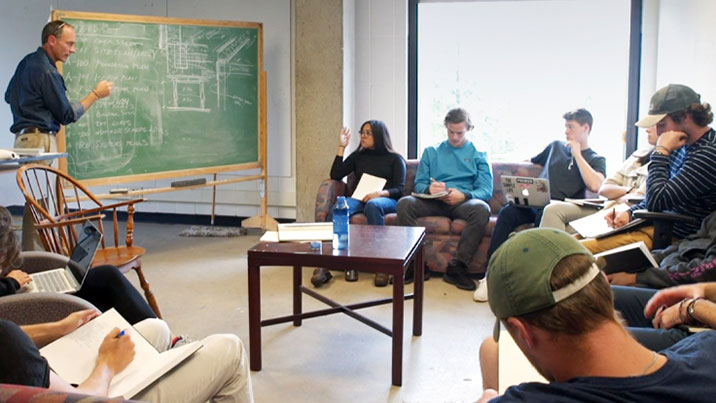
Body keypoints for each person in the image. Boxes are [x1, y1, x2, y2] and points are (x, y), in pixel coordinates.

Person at [476, 228, 716, 402]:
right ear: (603, 283)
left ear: (522, 332)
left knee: (491, 351)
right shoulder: (707, 349)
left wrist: (488, 397)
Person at [5, 20, 114, 251]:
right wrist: (95, 94)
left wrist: (29, 108)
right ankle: (38, 259)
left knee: (35, 201)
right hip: (40, 139)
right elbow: (66, 114)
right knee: (41, 204)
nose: (72, 49)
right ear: (52, 40)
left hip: (22, 138)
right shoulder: (47, 71)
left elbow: (8, 95)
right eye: (69, 43)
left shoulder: (27, 62)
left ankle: (36, 254)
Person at [480, 109, 606, 302]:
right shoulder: (555, 146)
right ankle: (489, 275)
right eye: (565, 126)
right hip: (535, 200)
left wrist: (577, 155)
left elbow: (596, 185)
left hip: (558, 208)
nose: (566, 132)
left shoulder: (596, 159)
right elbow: (530, 161)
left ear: (586, 128)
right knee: (507, 213)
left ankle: (530, 280)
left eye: (571, 127)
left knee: (545, 216)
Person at [0, 309, 254, 402]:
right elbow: (78, 400)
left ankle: (165, 366)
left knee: (155, 329)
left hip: (48, 380)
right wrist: (107, 365)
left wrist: (56, 329)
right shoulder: (8, 342)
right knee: (230, 349)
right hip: (86, 395)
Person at [580, 84, 716, 254]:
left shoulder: (709, 153)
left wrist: (661, 151)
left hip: (675, 237)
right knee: (571, 240)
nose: (658, 132)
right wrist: (630, 213)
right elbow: (656, 196)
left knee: (576, 251)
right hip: (655, 225)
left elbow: (657, 200)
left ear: (686, 117)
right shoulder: (681, 144)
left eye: (662, 124)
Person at [0, 205, 155, 324]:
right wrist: (10, 283)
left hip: (12, 289)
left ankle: (152, 328)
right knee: (98, 300)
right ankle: (152, 335)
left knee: (106, 276)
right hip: (15, 304)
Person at [397, 108, 492, 292]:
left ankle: (458, 267)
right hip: (434, 201)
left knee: (481, 209)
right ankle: (416, 265)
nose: (455, 137)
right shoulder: (432, 152)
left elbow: (486, 190)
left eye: (460, 133)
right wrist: (429, 189)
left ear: (469, 129)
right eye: (451, 132)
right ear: (445, 128)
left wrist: (464, 195)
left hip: (463, 203)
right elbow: (420, 184)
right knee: (405, 204)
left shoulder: (479, 154)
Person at [311, 120, 406, 287]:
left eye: (368, 133)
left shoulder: (395, 159)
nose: (363, 136)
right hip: (359, 198)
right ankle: (324, 264)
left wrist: (380, 193)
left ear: (379, 135)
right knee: (339, 208)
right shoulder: (358, 156)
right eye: (362, 132)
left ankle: (381, 265)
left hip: (385, 200)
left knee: (374, 205)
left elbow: (400, 188)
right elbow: (336, 174)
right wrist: (342, 147)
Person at [539, 125, 656, 232]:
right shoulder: (638, 155)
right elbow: (604, 189)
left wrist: (617, 194)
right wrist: (630, 190)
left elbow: (638, 199)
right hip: (606, 205)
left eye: (570, 127)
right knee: (552, 210)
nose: (647, 129)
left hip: (622, 213)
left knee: (567, 229)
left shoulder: (596, 159)